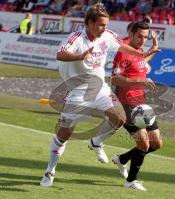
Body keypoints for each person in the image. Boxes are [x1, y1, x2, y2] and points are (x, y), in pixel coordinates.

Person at [40, 3, 158, 187]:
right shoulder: (77, 38)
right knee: (64, 135)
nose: (104, 29)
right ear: (89, 23)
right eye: (101, 25)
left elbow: (123, 47)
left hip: (100, 88)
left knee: (120, 117)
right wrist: (79, 57)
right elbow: (60, 54)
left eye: (106, 25)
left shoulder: (108, 36)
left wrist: (141, 54)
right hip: (78, 92)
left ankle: (96, 142)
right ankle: (49, 171)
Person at [111, 22, 163, 191]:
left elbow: (141, 62)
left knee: (156, 144)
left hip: (141, 104)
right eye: (139, 36)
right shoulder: (122, 52)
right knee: (144, 145)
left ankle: (122, 159)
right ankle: (130, 181)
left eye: (145, 37)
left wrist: (153, 49)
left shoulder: (139, 51)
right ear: (131, 34)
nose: (142, 40)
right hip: (125, 104)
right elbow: (115, 79)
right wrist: (140, 80)